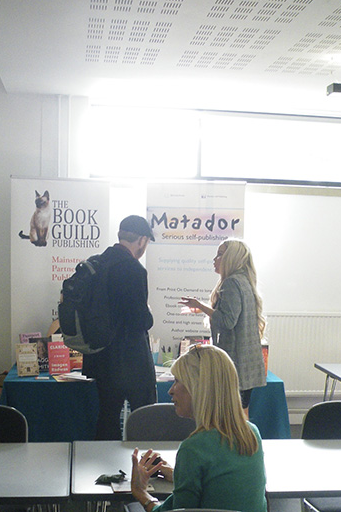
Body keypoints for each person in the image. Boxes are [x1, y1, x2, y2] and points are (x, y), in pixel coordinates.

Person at [131, 344, 267, 512]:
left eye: (178, 381)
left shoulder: (193, 449)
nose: (171, 391)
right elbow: (225, 489)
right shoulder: (252, 434)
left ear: (197, 388)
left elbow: (180, 510)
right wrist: (178, 475)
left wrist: (142, 493)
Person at [82, 215, 158, 440]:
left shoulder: (97, 262)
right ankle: (144, 464)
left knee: (107, 417)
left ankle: (106, 470)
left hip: (101, 357)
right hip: (132, 361)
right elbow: (139, 320)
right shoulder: (134, 270)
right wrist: (149, 315)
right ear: (142, 240)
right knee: (145, 417)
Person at [179, 239, 266, 410]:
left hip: (235, 362)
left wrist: (201, 306)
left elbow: (227, 321)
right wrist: (205, 310)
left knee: (232, 414)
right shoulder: (244, 280)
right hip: (247, 363)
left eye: (220, 255)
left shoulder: (232, 283)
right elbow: (234, 315)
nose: (214, 259)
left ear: (231, 258)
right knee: (241, 413)